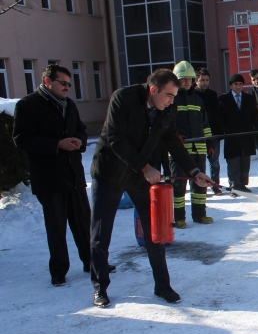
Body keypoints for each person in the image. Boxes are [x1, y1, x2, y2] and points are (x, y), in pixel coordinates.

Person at [89, 69, 214, 308]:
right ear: (153, 89)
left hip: (141, 179)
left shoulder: (168, 109)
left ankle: (162, 285)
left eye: (174, 96)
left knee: (154, 233)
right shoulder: (123, 98)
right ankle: (100, 287)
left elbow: (172, 143)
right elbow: (115, 138)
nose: (171, 101)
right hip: (110, 173)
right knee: (101, 233)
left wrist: (195, 172)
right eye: (168, 95)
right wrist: (145, 167)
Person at [12, 64, 93, 286]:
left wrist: (79, 141)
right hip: (50, 179)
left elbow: (81, 129)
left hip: (74, 176)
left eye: (69, 84)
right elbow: (22, 138)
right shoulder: (28, 105)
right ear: (48, 82)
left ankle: (91, 261)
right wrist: (57, 144)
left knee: (83, 222)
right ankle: (59, 271)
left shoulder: (69, 105)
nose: (67, 88)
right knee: (56, 227)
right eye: (63, 83)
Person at [170, 61, 213, 228]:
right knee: (179, 186)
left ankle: (200, 215)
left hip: (199, 149)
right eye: (183, 79)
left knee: (200, 184)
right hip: (179, 151)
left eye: (190, 79)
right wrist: (176, 136)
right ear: (176, 80)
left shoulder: (197, 100)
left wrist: (210, 143)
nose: (187, 82)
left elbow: (206, 125)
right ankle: (179, 217)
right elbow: (167, 126)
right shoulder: (172, 100)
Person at [218, 74, 258, 192]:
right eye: (235, 84)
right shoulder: (223, 99)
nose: (238, 87)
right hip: (231, 135)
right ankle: (234, 184)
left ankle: (242, 183)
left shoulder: (249, 98)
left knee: (245, 160)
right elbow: (220, 118)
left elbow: (254, 115)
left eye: (240, 84)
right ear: (231, 85)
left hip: (246, 135)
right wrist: (226, 129)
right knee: (233, 161)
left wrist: (254, 128)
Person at [194, 68, 223, 196]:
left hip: (213, 133)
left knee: (214, 162)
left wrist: (219, 131)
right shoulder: (192, 96)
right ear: (196, 81)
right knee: (199, 163)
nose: (205, 83)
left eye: (207, 80)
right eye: (202, 80)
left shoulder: (212, 95)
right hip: (197, 134)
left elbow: (217, 115)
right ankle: (199, 186)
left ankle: (215, 185)